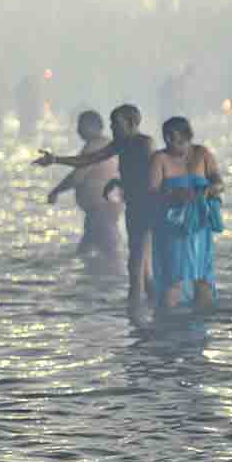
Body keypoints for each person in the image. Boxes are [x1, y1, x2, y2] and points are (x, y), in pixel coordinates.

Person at [35, 104, 157, 319]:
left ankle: (135, 315)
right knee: (139, 264)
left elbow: (153, 176)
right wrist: (55, 159)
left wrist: (122, 185)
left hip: (144, 208)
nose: (112, 127)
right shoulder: (121, 144)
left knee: (135, 262)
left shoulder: (143, 144)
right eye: (111, 123)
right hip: (131, 208)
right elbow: (88, 160)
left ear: (132, 123)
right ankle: (153, 310)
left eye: (116, 123)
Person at [148, 117, 224, 313]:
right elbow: (152, 192)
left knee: (203, 278)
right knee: (174, 278)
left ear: (188, 137)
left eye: (178, 139)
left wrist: (212, 188)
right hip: (173, 227)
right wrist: (174, 195)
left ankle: (200, 331)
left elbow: (218, 180)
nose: (172, 143)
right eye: (168, 139)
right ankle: (167, 327)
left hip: (200, 227)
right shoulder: (159, 158)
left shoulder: (202, 153)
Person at [47, 110, 123, 266]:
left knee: (110, 252)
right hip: (106, 207)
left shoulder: (93, 147)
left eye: (80, 125)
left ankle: (109, 282)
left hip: (101, 208)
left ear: (92, 127)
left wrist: (57, 190)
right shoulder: (106, 144)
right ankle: (91, 284)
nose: (78, 130)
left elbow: (77, 176)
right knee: (88, 250)